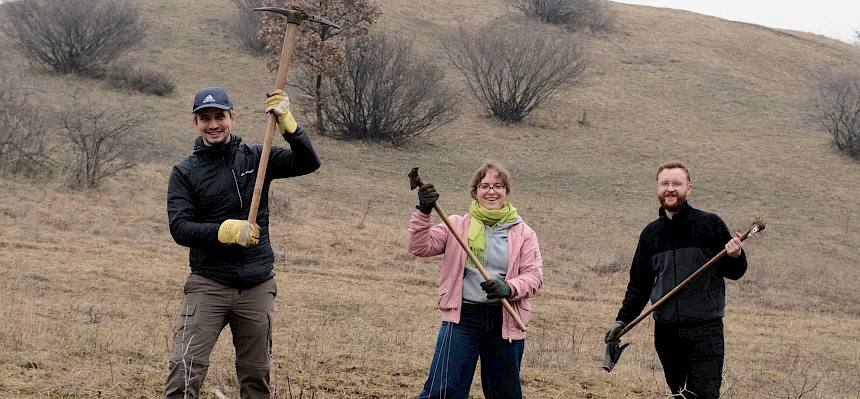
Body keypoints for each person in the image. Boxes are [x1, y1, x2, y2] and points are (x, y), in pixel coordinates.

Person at [164, 86, 320, 398]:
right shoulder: (185, 172)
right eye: (204, 118)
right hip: (208, 283)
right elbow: (180, 228)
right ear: (195, 122)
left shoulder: (257, 157)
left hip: (257, 285)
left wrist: (288, 123)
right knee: (185, 370)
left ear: (232, 117)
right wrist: (226, 231)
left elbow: (308, 162)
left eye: (219, 116)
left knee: (255, 375)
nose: (213, 124)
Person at [605, 160, 747, 399]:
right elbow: (639, 285)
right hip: (666, 332)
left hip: (705, 330)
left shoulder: (709, 224)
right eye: (665, 184)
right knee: (680, 395)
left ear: (688, 188)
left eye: (677, 184)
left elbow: (735, 271)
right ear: (657, 188)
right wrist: (622, 321)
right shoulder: (651, 234)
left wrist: (736, 255)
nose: (670, 189)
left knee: (703, 395)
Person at [408, 161, 544, 399]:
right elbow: (420, 246)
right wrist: (424, 211)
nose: (491, 191)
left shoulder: (523, 233)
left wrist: (508, 288)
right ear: (475, 192)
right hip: (463, 319)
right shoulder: (456, 225)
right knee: (444, 391)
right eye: (485, 186)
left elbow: (534, 276)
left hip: (505, 320)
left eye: (498, 186)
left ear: (506, 192)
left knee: (505, 395)